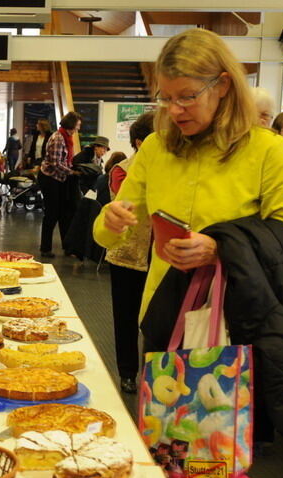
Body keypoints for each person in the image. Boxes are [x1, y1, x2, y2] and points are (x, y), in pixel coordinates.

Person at [94, 28, 283, 478]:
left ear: (223, 87)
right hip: (165, 322)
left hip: (231, 333)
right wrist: (110, 221)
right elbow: (114, 232)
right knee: (163, 463)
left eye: (186, 96)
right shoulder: (155, 148)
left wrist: (221, 244)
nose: (174, 109)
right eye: (165, 97)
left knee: (212, 474)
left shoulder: (268, 152)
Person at [103, 112, 155, 395]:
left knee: (156, 321)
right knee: (125, 318)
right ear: (140, 142)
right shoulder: (122, 169)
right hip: (127, 255)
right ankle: (127, 373)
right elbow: (125, 201)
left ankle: (154, 374)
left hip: (162, 256)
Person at [38, 111, 82, 257]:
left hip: (60, 178)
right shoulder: (58, 138)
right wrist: (72, 172)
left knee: (64, 214)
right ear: (71, 124)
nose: (79, 128)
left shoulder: (67, 137)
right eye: (78, 124)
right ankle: (45, 249)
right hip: (50, 179)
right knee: (52, 214)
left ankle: (67, 247)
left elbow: (65, 160)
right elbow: (55, 163)